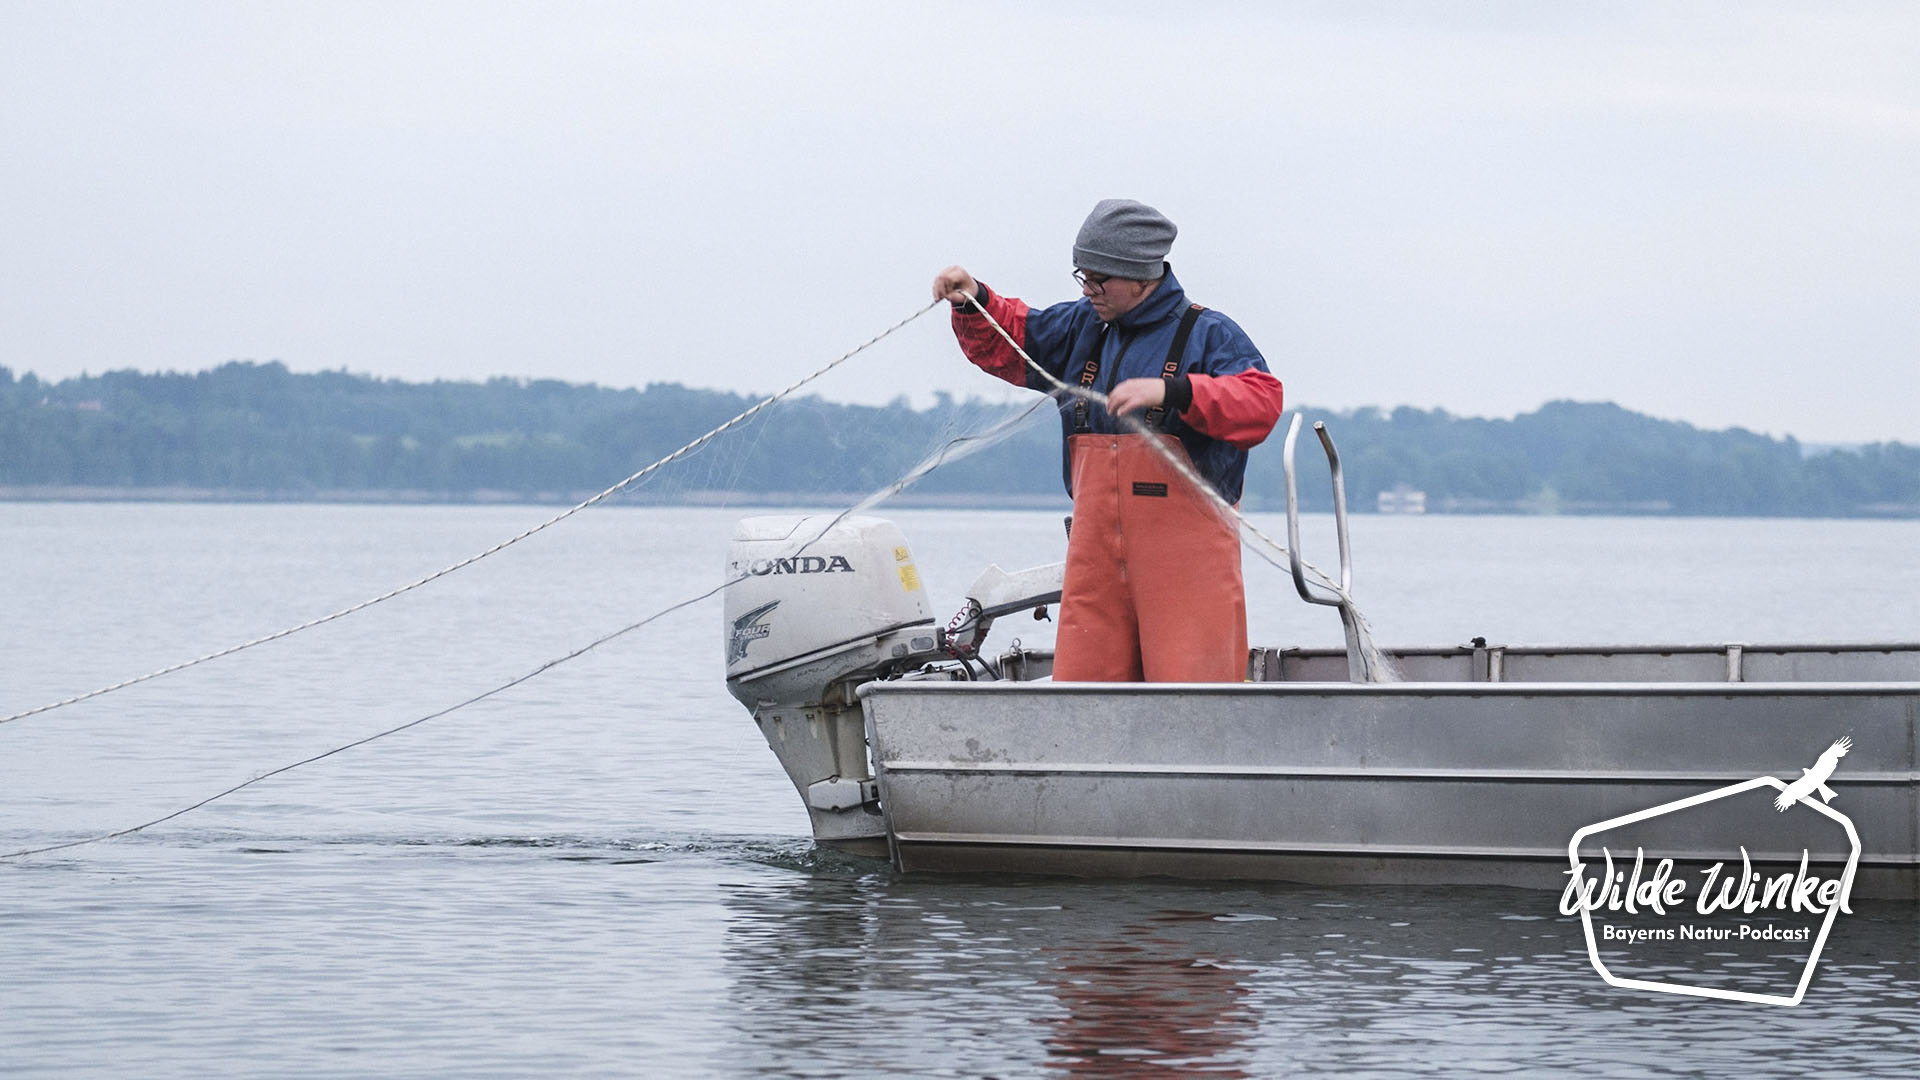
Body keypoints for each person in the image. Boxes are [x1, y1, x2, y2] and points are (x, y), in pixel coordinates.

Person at [932, 198, 1284, 682]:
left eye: (1101, 278)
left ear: (1143, 275)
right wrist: (973, 300)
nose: (1089, 289)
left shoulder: (1210, 334)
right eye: (1083, 275)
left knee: (1196, 703)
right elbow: (1012, 338)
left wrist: (1175, 390)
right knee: (1083, 698)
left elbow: (1260, 403)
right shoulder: (1080, 326)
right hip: (1095, 566)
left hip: (1187, 573)